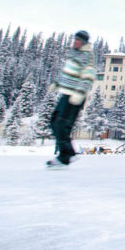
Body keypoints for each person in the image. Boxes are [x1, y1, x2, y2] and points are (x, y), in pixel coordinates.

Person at [46, 30, 96, 168]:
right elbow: (67, 73)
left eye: (78, 40)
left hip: (75, 95)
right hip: (66, 93)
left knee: (62, 124)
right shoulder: (74, 55)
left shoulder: (87, 56)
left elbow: (89, 76)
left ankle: (65, 156)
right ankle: (67, 153)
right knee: (54, 121)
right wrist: (56, 83)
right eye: (75, 40)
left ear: (84, 42)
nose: (75, 42)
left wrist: (80, 93)